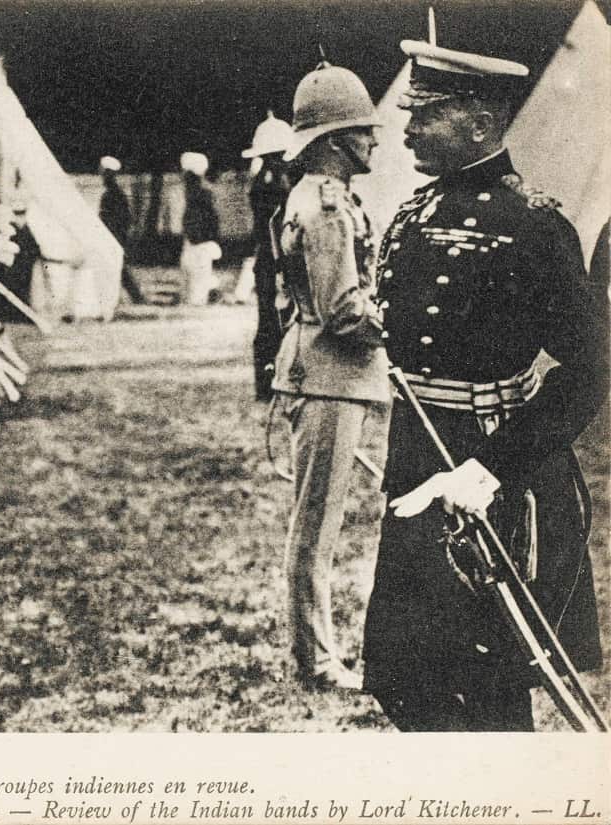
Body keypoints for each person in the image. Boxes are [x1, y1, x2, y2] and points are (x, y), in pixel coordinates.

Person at [363, 39, 608, 731]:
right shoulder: (411, 214)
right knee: (402, 673)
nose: (407, 128)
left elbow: (591, 367)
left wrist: (490, 468)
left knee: (489, 681)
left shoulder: (533, 226)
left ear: (479, 121)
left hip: (491, 473)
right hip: (416, 462)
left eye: (427, 114)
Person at [271, 61, 388, 691]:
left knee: (318, 521)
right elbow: (345, 311)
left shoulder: (320, 198)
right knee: (316, 526)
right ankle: (315, 661)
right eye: (365, 130)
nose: (375, 140)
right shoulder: (327, 205)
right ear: (338, 139)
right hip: (330, 373)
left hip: (326, 373)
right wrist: (400, 325)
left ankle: (315, 655)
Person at [242, 113, 296, 401]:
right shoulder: (273, 180)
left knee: (271, 319)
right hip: (273, 256)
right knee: (274, 320)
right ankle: (271, 380)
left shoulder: (262, 177)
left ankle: (270, 381)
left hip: (268, 256)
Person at [97, 155, 144, 305]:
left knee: (118, 270)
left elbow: (118, 219)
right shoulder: (115, 194)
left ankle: (135, 298)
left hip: (114, 237)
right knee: (120, 270)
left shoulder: (112, 195)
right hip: (115, 236)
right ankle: (135, 297)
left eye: (104, 173)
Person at [177, 151, 220, 306]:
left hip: (200, 242)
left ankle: (212, 290)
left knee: (196, 296)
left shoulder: (203, 193)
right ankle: (212, 289)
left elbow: (211, 219)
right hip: (192, 241)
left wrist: (204, 238)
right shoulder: (192, 193)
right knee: (188, 284)